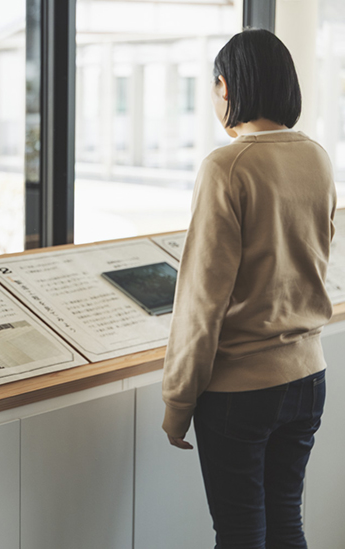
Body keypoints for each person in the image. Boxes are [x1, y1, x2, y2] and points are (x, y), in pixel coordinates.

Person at [162, 29, 336, 548]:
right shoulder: (317, 158)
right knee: (287, 525)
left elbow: (202, 299)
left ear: (226, 87)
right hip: (309, 378)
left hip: (241, 391)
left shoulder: (227, 165)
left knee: (239, 536)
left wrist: (178, 402)